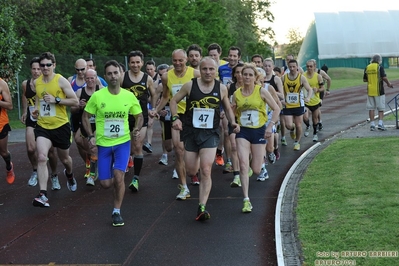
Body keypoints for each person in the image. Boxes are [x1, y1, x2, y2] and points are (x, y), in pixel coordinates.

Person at [169, 57, 239, 220]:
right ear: (200, 70)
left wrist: (233, 122)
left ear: (216, 71)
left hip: (210, 133)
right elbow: (173, 101)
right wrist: (175, 118)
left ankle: (202, 206)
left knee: (206, 169)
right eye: (205, 69)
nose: (208, 72)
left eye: (211, 69)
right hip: (191, 132)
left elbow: (228, 108)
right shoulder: (190, 85)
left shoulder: (221, 88)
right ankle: (196, 164)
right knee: (192, 170)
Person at [82, 60, 143, 226]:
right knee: (105, 184)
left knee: (118, 177)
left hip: (123, 142)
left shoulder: (128, 96)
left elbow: (139, 115)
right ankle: (106, 172)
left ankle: (117, 211)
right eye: (109, 73)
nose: (113, 76)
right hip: (104, 144)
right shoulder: (97, 96)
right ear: (105, 76)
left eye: (115, 73)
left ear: (120, 74)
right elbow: (85, 116)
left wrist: (136, 128)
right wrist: (90, 136)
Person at [151, 49, 200, 199]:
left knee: (195, 152)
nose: (178, 63)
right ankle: (184, 187)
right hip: (177, 116)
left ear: (186, 59)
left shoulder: (195, 74)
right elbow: (166, 96)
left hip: (194, 116)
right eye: (175, 60)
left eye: (180, 60)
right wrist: (156, 110)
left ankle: (194, 172)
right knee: (178, 151)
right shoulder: (166, 77)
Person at [32, 52, 79, 207]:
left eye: (48, 65)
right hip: (43, 126)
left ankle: (70, 175)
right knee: (41, 157)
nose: (45, 68)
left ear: (54, 65)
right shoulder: (37, 82)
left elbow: (75, 101)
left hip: (61, 126)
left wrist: (56, 100)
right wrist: (36, 110)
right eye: (42, 65)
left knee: (65, 159)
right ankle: (43, 195)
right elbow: (39, 98)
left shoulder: (60, 80)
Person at [231, 63, 280, 213]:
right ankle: (246, 200)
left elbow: (277, 108)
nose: (246, 77)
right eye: (244, 74)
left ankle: (256, 161)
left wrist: (269, 126)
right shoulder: (236, 94)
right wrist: (233, 123)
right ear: (240, 76)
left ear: (255, 77)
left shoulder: (261, 91)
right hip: (243, 132)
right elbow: (231, 111)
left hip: (259, 131)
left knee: (257, 169)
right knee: (243, 165)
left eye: (250, 75)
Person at [121, 50, 157, 192]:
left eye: (138, 62)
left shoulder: (147, 79)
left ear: (142, 63)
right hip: (124, 117)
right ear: (128, 63)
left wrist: (152, 108)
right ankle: (127, 160)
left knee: (137, 145)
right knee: (127, 146)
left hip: (141, 117)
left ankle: (135, 178)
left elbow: (153, 94)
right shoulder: (122, 78)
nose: (135, 65)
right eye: (132, 62)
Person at [21, 57, 58, 187]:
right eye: (34, 69)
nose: (36, 71)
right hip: (33, 118)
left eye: (38, 68)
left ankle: (54, 174)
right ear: (30, 69)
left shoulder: (47, 83)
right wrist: (25, 111)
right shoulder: (26, 83)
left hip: (46, 119)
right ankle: (36, 170)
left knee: (52, 151)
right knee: (31, 149)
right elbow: (25, 97)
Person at [70, 69, 102, 185]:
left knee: (94, 148)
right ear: (84, 79)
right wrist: (78, 106)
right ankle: (94, 165)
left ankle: (92, 176)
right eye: (87, 78)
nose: (90, 80)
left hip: (99, 124)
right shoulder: (80, 92)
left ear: (96, 78)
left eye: (92, 78)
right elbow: (72, 110)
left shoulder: (101, 91)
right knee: (88, 148)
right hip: (85, 124)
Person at [281, 59, 312, 151]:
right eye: (290, 67)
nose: (292, 68)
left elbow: (309, 89)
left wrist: (308, 98)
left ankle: (297, 142)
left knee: (298, 125)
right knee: (288, 125)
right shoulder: (283, 77)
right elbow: (278, 88)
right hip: (288, 105)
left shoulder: (301, 78)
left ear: (297, 67)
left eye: (294, 66)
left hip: (299, 105)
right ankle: (292, 128)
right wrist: (282, 99)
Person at [363, 54, 394, 131]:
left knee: (371, 108)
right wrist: (389, 84)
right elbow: (384, 77)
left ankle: (372, 125)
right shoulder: (379, 67)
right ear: (379, 60)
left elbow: (364, 79)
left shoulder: (367, 67)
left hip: (370, 90)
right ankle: (380, 123)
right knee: (381, 108)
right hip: (379, 91)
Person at [263, 58, 284, 158]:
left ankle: (275, 148)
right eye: (265, 66)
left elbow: (282, 96)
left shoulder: (276, 79)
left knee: (273, 134)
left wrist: (270, 92)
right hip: (263, 110)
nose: (267, 68)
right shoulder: (258, 79)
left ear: (272, 67)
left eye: (269, 66)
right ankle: (264, 156)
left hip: (272, 109)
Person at [303, 59, 324, 142]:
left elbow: (323, 88)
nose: (309, 68)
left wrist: (318, 90)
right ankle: (308, 126)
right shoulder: (303, 76)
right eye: (307, 66)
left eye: (311, 66)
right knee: (305, 117)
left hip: (315, 101)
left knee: (315, 119)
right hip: (306, 101)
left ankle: (315, 134)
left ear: (314, 67)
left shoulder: (318, 76)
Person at [0, 78, 15, 184]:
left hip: (1, 124)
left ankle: (9, 166)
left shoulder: (2, 83)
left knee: (4, 152)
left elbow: (10, 105)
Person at [312, 59, 331, 130]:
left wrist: (328, 89)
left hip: (320, 92)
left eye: (312, 65)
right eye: (309, 66)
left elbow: (329, 79)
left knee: (317, 107)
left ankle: (319, 122)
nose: (310, 67)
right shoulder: (307, 73)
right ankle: (316, 121)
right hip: (311, 93)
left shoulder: (320, 72)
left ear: (315, 65)